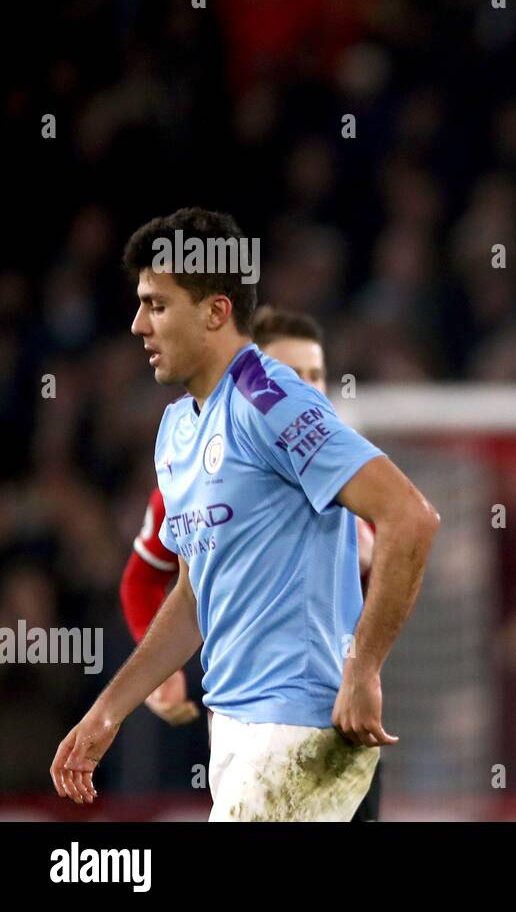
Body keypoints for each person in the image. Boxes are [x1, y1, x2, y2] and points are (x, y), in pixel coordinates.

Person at [52, 207, 440, 821]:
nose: (136, 325)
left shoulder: (271, 399)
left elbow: (410, 516)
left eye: (156, 304)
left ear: (214, 311)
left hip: (298, 727)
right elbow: (193, 593)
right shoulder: (178, 427)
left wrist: (363, 666)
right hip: (236, 728)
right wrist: (108, 712)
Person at [117, 304, 383, 820]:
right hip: (246, 715)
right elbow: (145, 580)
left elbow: (407, 528)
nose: (308, 388)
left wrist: (363, 664)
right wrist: (159, 675)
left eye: (318, 375)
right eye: (293, 374)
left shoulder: (344, 472)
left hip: (332, 717)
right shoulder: (192, 469)